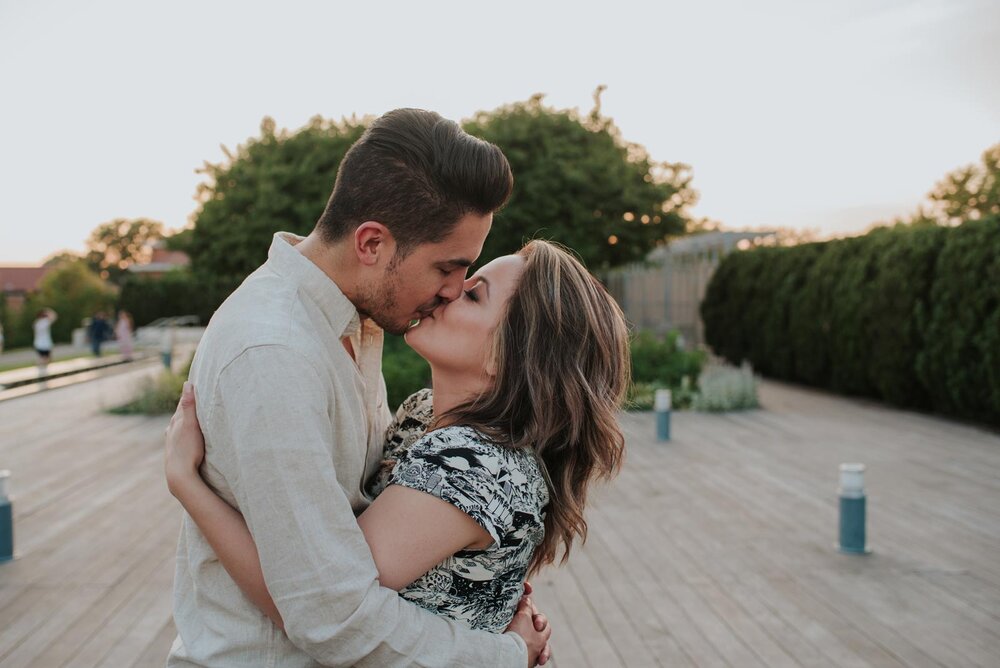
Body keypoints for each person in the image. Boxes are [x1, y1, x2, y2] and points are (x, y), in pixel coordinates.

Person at [165, 108, 552, 668]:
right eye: (448, 268)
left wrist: (485, 591)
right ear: (371, 244)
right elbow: (333, 613)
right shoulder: (275, 355)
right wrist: (503, 654)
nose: (452, 290)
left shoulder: (353, 321)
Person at [166, 241, 630, 642]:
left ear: (508, 355)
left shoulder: (473, 466)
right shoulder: (422, 414)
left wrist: (189, 485)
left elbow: (316, 606)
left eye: (472, 295)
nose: (448, 290)